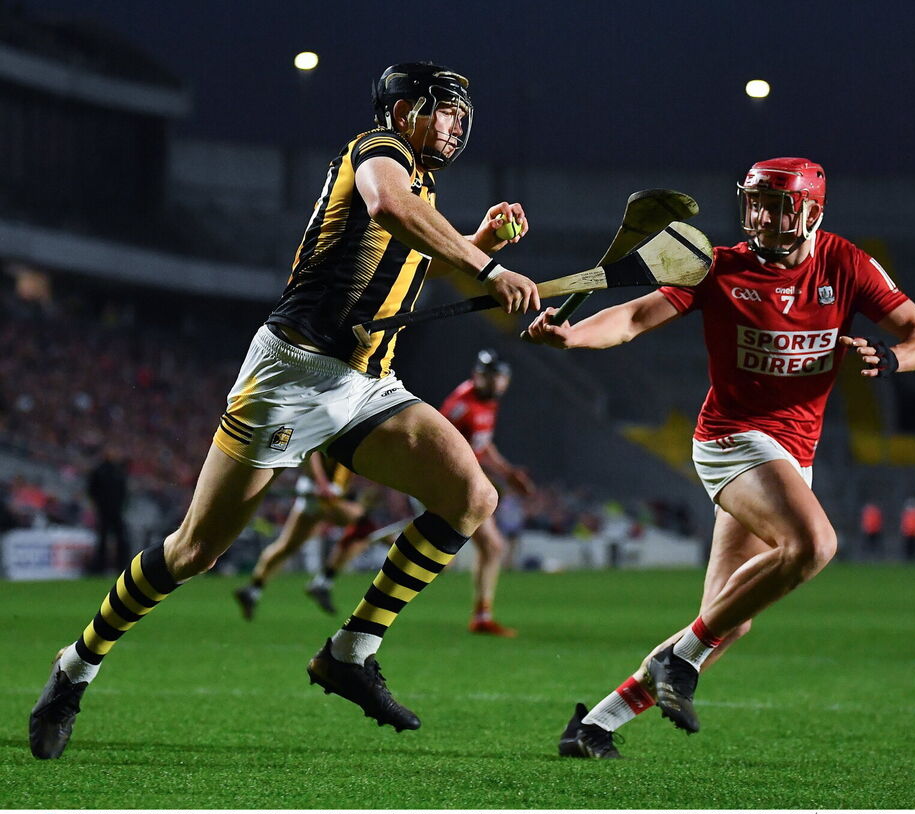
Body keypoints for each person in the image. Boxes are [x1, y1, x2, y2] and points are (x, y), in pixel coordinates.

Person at [29, 61, 541, 760]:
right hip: (293, 375)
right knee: (194, 551)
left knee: (471, 498)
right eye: (443, 108)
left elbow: (412, 262)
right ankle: (75, 666)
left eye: (459, 111)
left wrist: (479, 245)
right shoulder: (378, 151)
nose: (457, 122)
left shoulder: (422, 184)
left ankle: (350, 653)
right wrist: (490, 269)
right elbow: (389, 210)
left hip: (368, 382)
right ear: (402, 111)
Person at [526, 157, 915, 758]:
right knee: (815, 545)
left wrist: (894, 357)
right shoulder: (717, 267)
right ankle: (680, 662)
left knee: (726, 619)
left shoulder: (846, 263)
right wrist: (573, 335)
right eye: (756, 204)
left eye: (778, 206)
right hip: (732, 440)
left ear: (813, 211)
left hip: (793, 453)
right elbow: (634, 316)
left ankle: (593, 727)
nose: (763, 217)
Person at [439, 348, 534, 637]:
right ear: (477, 375)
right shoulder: (461, 405)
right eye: (489, 376)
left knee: (490, 547)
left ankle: (482, 616)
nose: (495, 382)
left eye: (499, 377)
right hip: (453, 482)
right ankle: (482, 616)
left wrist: (507, 472)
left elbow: (483, 445)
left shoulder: (488, 403)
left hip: (468, 482)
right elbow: (440, 445)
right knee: (475, 549)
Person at [233, 454, 370, 619]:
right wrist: (322, 483)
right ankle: (323, 582)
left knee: (288, 545)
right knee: (364, 525)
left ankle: (253, 590)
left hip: (326, 490)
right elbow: (314, 453)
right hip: (321, 491)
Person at [85, 447, 130, 575]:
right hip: (105, 510)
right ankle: (102, 566)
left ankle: (119, 565)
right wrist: (99, 505)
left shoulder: (117, 470)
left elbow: (124, 491)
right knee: (105, 538)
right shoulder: (102, 470)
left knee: (118, 538)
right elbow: (92, 490)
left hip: (115, 510)